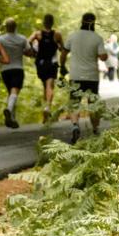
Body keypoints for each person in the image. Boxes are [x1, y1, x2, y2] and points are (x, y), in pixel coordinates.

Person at [65, 11, 106, 144]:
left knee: (74, 102)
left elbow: (64, 52)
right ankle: (95, 129)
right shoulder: (97, 38)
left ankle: (75, 126)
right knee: (93, 103)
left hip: (75, 75)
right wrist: (102, 55)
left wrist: (62, 66)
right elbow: (103, 57)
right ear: (94, 23)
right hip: (92, 76)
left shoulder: (73, 36)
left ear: (82, 21)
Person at [0, 17, 31, 129]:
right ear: (15, 27)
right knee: (14, 92)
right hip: (17, 68)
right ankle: (9, 110)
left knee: (11, 94)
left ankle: (12, 119)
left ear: (6, 27)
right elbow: (29, 51)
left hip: (5, 70)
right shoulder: (22, 38)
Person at [30, 14, 62, 122]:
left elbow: (28, 42)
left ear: (44, 23)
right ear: (52, 23)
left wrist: (33, 51)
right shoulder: (57, 34)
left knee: (45, 86)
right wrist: (58, 46)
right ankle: (47, 106)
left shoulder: (37, 34)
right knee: (50, 86)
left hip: (41, 63)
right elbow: (62, 49)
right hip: (52, 63)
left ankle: (46, 114)